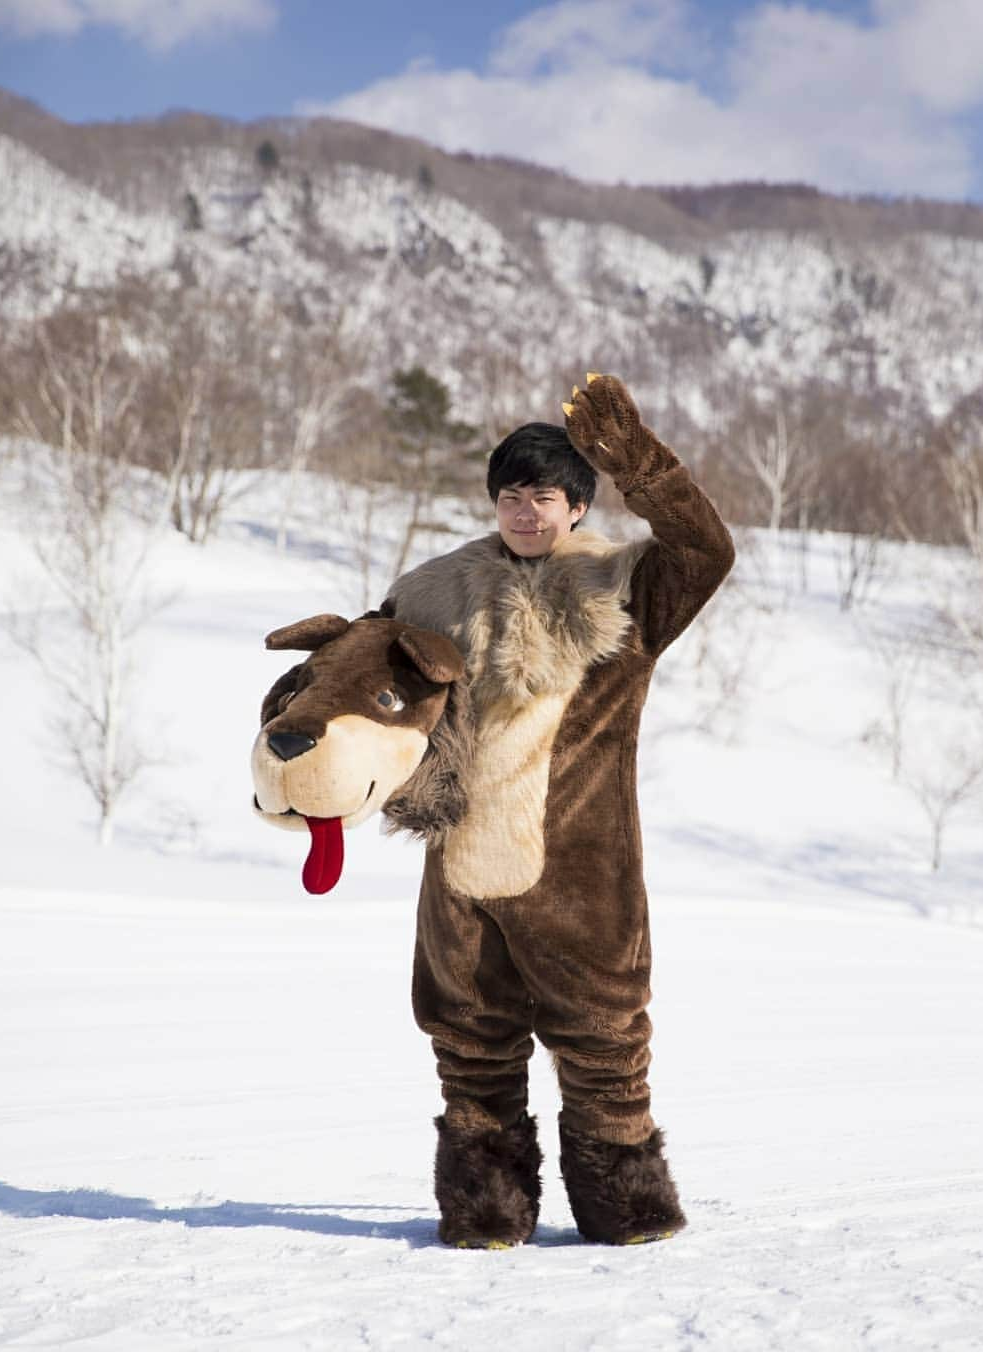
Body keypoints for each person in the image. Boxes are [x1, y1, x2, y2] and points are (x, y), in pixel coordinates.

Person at [382, 372, 735, 1247]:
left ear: (578, 503)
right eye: (511, 495)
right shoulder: (432, 593)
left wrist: (641, 466)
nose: (525, 511)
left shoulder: (626, 588)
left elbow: (708, 550)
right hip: (459, 870)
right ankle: (486, 1208)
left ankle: (626, 1206)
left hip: (582, 873)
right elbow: (366, 677)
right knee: (469, 1046)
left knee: (604, 1045)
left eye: (545, 495)